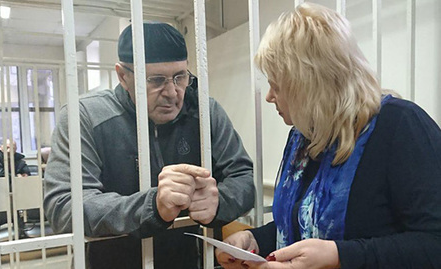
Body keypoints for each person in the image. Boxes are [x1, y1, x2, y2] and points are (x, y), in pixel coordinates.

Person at [216, 3, 441, 269]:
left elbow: (432, 244)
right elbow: (303, 225)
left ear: (309, 85)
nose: (269, 97)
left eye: (277, 86)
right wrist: (255, 239)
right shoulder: (303, 138)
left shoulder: (401, 126)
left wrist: (339, 256)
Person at [44, 22, 255, 269]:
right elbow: (63, 206)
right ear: (123, 76)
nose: (172, 92)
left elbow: (244, 178)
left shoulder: (205, 112)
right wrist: (152, 207)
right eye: (156, 80)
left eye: (180, 77)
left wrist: (220, 201)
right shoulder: (86, 117)